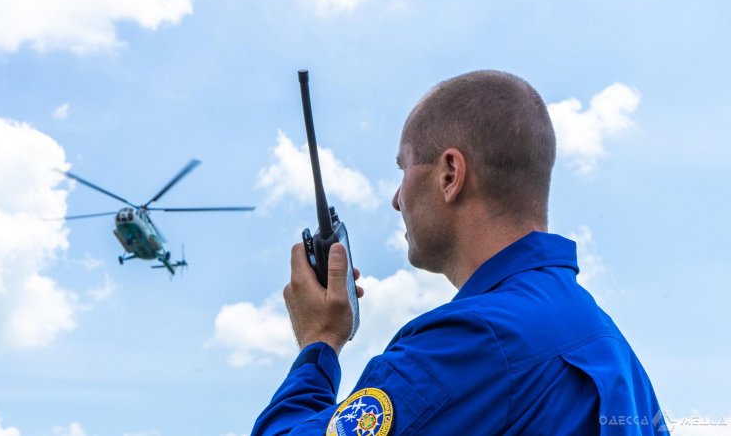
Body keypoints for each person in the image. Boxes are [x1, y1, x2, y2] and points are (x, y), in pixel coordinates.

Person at [252, 70, 666, 435]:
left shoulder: (476, 342)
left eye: (404, 169)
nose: (397, 200)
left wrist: (319, 341)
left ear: (450, 174)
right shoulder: (614, 350)